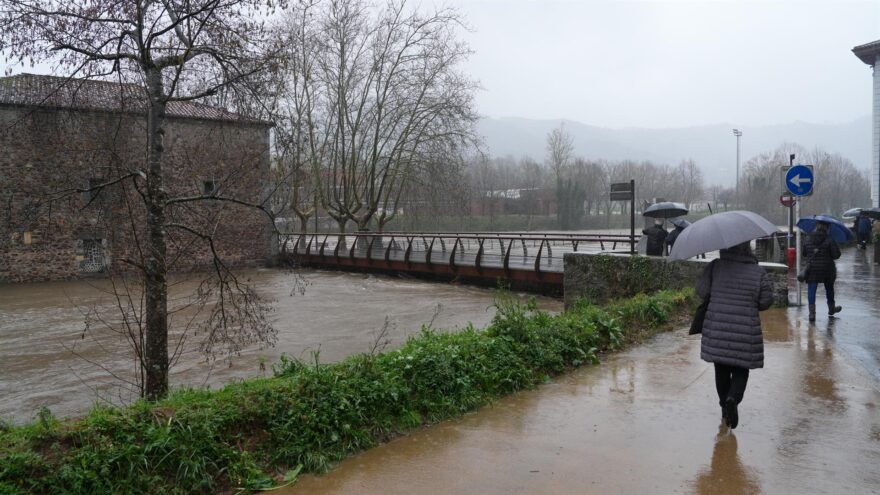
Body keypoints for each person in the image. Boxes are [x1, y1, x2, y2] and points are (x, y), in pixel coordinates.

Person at [696, 241, 773, 429]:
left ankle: (724, 408)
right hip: (745, 329)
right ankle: (733, 399)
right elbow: (765, 302)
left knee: (721, 369)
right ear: (748, 249)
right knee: (740, 369)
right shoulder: (757, 271)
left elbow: (701, 291)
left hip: (718, 328)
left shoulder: (716, 266)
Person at [803, 221, 842, 321]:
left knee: (811, 290)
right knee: (829, 289)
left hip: (812, 269)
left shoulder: (808, 238)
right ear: (827, 228)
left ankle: (812, 314)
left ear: (816, 227)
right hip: (827, 269)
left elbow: (804, 253)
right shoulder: (830, 240)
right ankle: (831, 309)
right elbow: (836, 255)